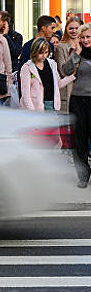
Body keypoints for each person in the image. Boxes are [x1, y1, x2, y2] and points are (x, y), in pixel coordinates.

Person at [64, 24, 91, 188]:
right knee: (79, 140)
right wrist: (77, 54)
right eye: (83, 37)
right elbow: (66, 71)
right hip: (78, 100)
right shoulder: (76, 53)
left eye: (88, 37)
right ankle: (83, 175)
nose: (85, 40)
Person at [20, 37, 74, 112]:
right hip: (35, 107)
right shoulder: (27, 67)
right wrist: (32, 111)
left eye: (46, 52)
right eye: (41, 53)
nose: (44, 55)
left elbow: (58, 84)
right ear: (34, 51)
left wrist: (73, 76)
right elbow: (25, 94)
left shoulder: (52, 64)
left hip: (51, 104)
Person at [55, 17, 83, 114]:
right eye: (71, 28)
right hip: (69, 92)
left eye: (77, 28)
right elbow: (64, 72)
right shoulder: (61, 47)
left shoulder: (86, 45)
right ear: (66, 29)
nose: (74, 31)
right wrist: (76, 53)